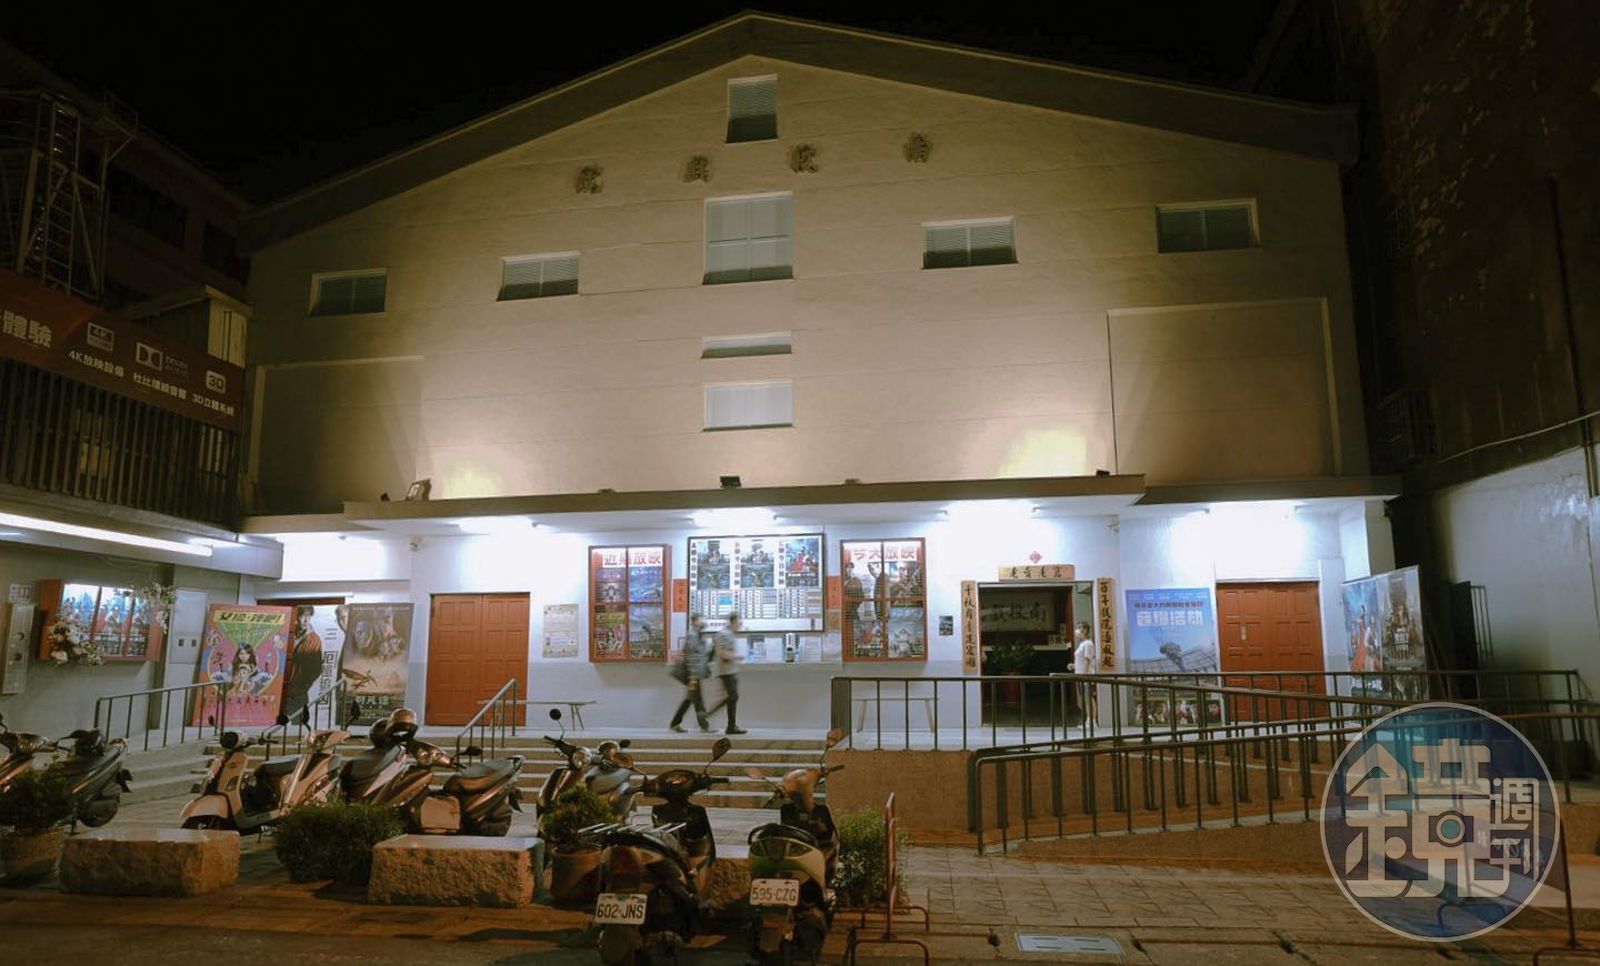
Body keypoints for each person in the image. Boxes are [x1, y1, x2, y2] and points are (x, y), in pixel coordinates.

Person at [704, 613, 747, 735]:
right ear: (733, 622)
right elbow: (721, 652)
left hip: (730, 670)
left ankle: (729, 724)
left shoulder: (729, 634)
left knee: (732, 697)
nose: (740, 625)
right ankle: (726, 724)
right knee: (732, 697)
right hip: (726, 671)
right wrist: (736, 657)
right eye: (738, 623)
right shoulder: (724, 634)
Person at [669, 614, 710, 732]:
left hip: (695, 673)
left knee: (692, 698)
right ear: (695, 622)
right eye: (701, 620)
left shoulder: (697, 635)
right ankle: (703, 726)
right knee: (695, 699)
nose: (703, 622)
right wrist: (693, 676)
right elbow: (691, 656)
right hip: (693, 673)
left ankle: (676, 723)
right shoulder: (693, 635)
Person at [1072, 621, 1097, 723]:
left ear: (1085, 630)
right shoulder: (1082, 644)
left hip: (1086, 676)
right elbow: (1081, 661)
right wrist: (1074, 666)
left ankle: (1092, 720)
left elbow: (1087, 660)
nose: (1078, 630)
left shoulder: (1088, 643)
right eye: (1078, 628)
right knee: (1085, 698)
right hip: (1080, 675)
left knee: (1089, 698)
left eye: (1080, 628)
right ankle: (1088, 719)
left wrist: (1085, 675)